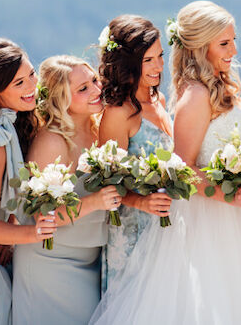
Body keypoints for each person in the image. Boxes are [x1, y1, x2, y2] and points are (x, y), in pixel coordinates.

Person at [91, 1, 241, 324]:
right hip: (209, 221)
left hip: (238, 224)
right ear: (199, 47)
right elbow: (183, 169)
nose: (235, 50)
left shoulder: (216, 86)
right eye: (224, 43)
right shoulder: (195, 95)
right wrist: (230, 195)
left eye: (234, 39)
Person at [12, 55, 121, 325]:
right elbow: (42, 216)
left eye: (94, 81)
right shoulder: (52, 141)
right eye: (83, 89)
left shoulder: (100, 129)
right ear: (61, 100)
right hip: (50, 262)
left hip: (91, 260)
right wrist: (95, 202)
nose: (96, 90)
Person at [98, 15, 173, 292]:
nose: (159, 67)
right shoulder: (119, 113)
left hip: (168, 224)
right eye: (149, 60)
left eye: (160, 56)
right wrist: (141, 203)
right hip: (133, 231)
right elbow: (107, 181)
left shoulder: (160, 100)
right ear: (130, 63)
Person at [0, 38, 56, 325]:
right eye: (19, 83)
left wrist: (13, 222)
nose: (32, 86)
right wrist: (34, 234)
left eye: (31, 75)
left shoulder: (17, 121)